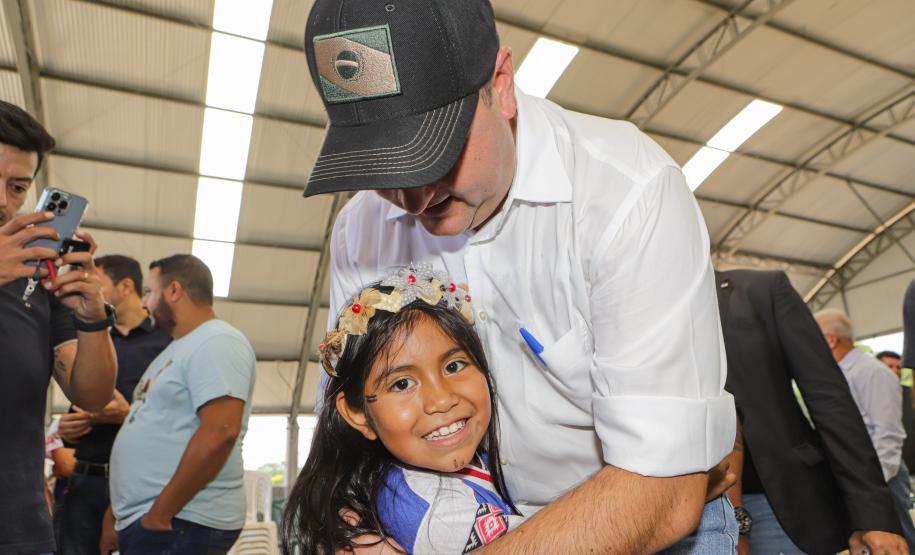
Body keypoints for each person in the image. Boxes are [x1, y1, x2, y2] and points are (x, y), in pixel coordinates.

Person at [302, 0, 738, 552]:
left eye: (432, 152)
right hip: (483, 522)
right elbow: (349, 427)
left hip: (646, 518)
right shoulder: (359, 230)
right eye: (381, 165)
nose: (412, 199)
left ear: (501, 86)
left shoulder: (627, 192)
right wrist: (354, 533)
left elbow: (661, 486)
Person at [284, 268, 524, 553]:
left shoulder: (473, 457)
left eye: (453, 366)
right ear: (358, 414)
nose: (441, 400)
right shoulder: (427, 510)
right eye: (402, 384)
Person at [715, 269, 905, 554]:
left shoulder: (762, 290)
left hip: (777, 503)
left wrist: (873, 515)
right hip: (677, 508)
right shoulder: (648, 310)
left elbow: (829, 400)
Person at [0, 100, 117, 555]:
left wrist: (91, 319)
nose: (3, 201)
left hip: (19, 529)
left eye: (17, 187)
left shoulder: (38, 280)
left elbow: (92, 395)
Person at [108, 254, 256, 554]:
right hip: (161, 520)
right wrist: (117, 513)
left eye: (149, 292)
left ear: (174, 290)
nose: (144, 303)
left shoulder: (217, 340)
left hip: (183, 521)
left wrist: (158, 515)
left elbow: (220, 432)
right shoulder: (177, 348)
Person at [55, 255, 171, 555]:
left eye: (97, 282)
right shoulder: (92, 342)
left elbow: (179, 422)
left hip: (141, 486)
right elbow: (77, 406)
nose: (88, 289)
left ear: (125, 286)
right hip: (85, 483)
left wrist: (127, 416)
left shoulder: (167, 346)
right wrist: (67, 431)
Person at [816, 308, 915, 551]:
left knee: (899, 543)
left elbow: (888, 435)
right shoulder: (840, 373)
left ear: (831, 340)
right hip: (861, 478)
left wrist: (871, 487)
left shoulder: (872, 372)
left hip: (882, 478)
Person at [877, 351, 915, 472]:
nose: (895, 371)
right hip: (883, 465)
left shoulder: (911, 394)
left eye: (899, 367)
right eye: (889, 366)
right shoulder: (868, 395)